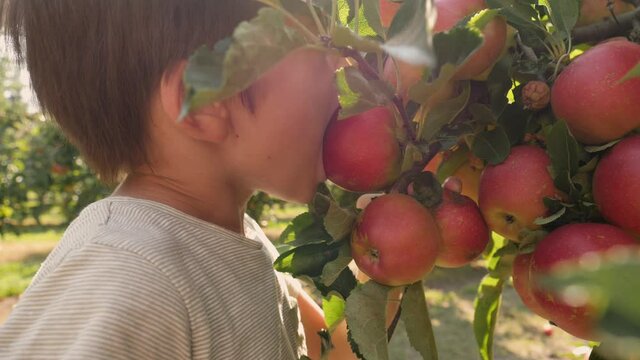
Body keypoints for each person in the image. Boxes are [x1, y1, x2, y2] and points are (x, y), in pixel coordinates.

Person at [0, 1, 357, 359]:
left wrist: (392, 248)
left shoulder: (228, 237)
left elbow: (329, 348)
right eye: (323, 48)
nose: (347, 65)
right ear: (204, 100)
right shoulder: (131, 277)